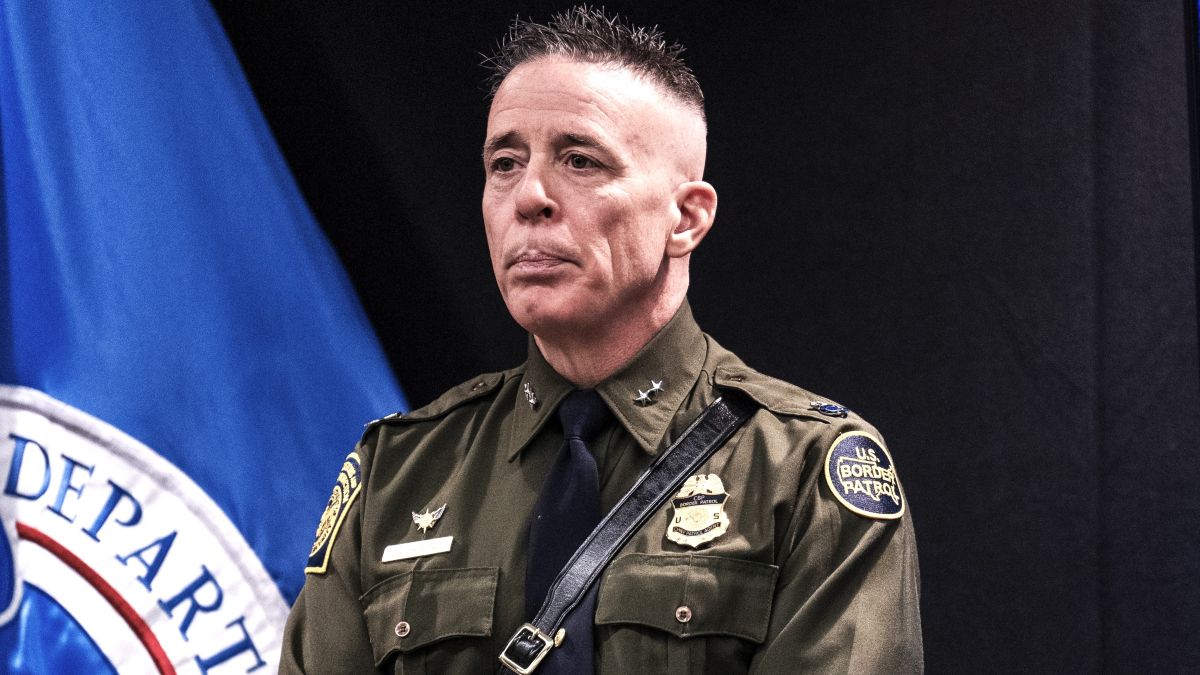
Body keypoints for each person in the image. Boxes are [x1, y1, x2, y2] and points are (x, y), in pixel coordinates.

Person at [280, 6, 922, 673]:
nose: (529, 196)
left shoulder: (802, 472)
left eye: (580, 161)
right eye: (505, 163)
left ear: (686, 217)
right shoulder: (397, 473)